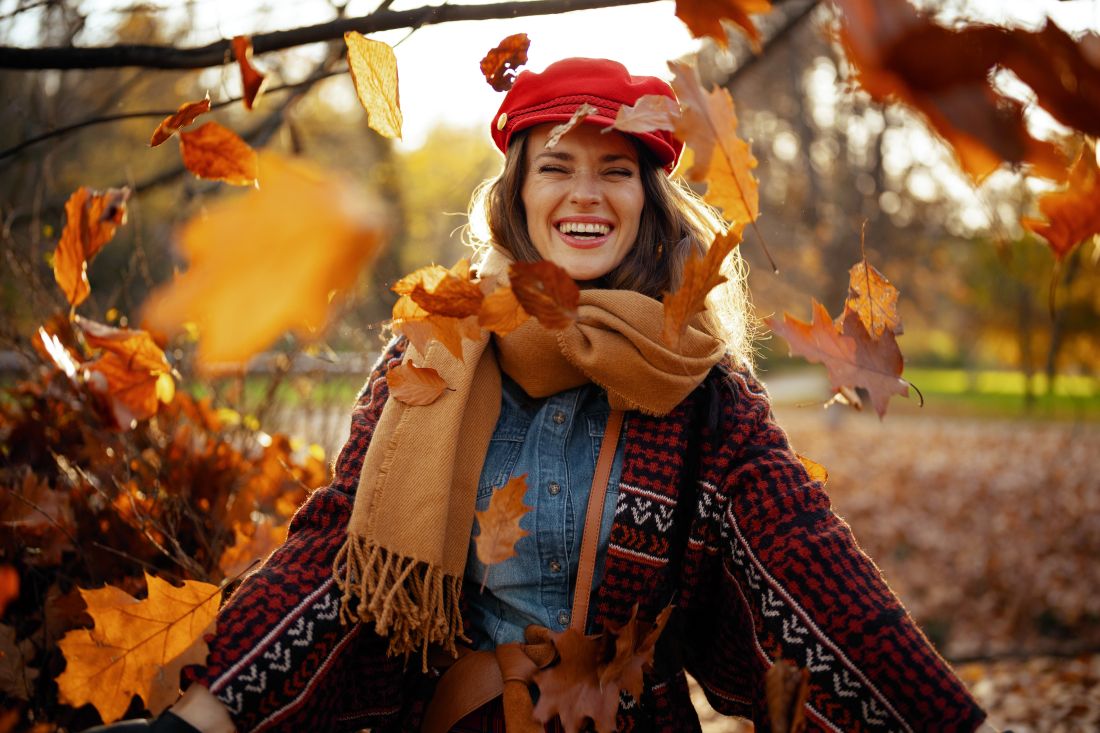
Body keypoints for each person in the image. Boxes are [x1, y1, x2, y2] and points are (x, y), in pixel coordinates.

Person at [90, 57, 992, 733]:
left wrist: (938, 719)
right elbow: (339, 561)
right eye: (557, 166)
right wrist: (194, 720)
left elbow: (809, 570)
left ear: (650, 197)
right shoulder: (435, 353)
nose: (585, 193)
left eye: (616, 169)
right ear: (516, 194)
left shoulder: (703, 390)